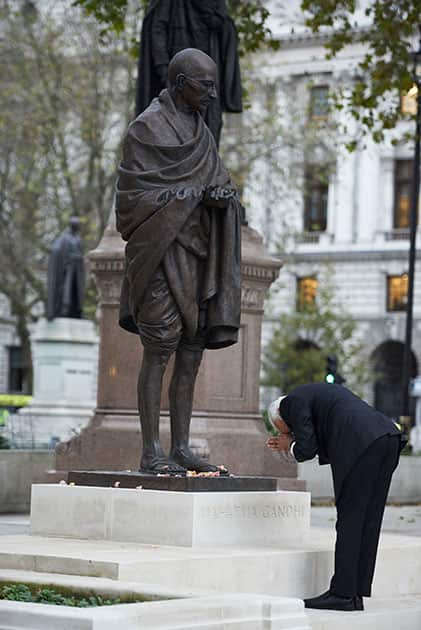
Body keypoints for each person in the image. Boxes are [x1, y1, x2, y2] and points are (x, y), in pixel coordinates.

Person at [116, 48, 242, 475]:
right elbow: (132, 203)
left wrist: (224, 198)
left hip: (197, 254)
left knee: (191, 352)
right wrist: (192, 196)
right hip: (159, 256)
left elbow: (218, 180)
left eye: (212, 85)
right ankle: (151, 451)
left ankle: (181, 447)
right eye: (204, 85)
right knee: (159, 349)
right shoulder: (146, 128)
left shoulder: (202, 133)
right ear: (179, 82)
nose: (211, 93)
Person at [267, 382, 405, 612]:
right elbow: (324, 438)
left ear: (279, 414)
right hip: (387, 438)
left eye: (284, 429)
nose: (286, 433)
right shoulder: (316, 397)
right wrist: (294, 442)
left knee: (350, 520)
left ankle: (342, 594)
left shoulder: (292, 402)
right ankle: (354, 592)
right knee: (368, 520)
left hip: (362, 444)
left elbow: (306, 449)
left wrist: (290, 444)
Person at [136, 0, 242, 145]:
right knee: (173, 133)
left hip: (208, 75)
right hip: (179, 77)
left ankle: (206, 165)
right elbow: (157, 27)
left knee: (210, 129)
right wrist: (165, 72)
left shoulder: (216, 5)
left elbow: (222, 24)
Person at [46, 216, 85, 320]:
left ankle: (76, 310)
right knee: (66, 289)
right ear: (72, 226)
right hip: (68, 268)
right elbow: (56, 250)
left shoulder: (78, 238)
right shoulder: (64, 238)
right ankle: (64, 309)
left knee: (76, 289)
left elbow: (80, 252)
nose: (78, 228)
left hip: (77, 268)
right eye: (76, 226)